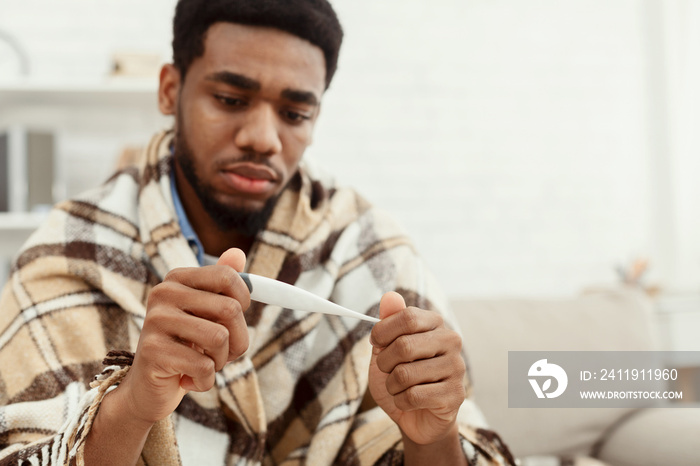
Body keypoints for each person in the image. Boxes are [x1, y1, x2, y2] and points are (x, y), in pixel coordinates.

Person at [0, 1, 515, 464]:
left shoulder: (370, 249)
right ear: (169, 90)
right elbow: (31, 454)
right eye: (230, 99)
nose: (264, 138)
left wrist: (432, 435)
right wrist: (134, 404)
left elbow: (449, 441)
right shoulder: (71, 248)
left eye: (294, 113)